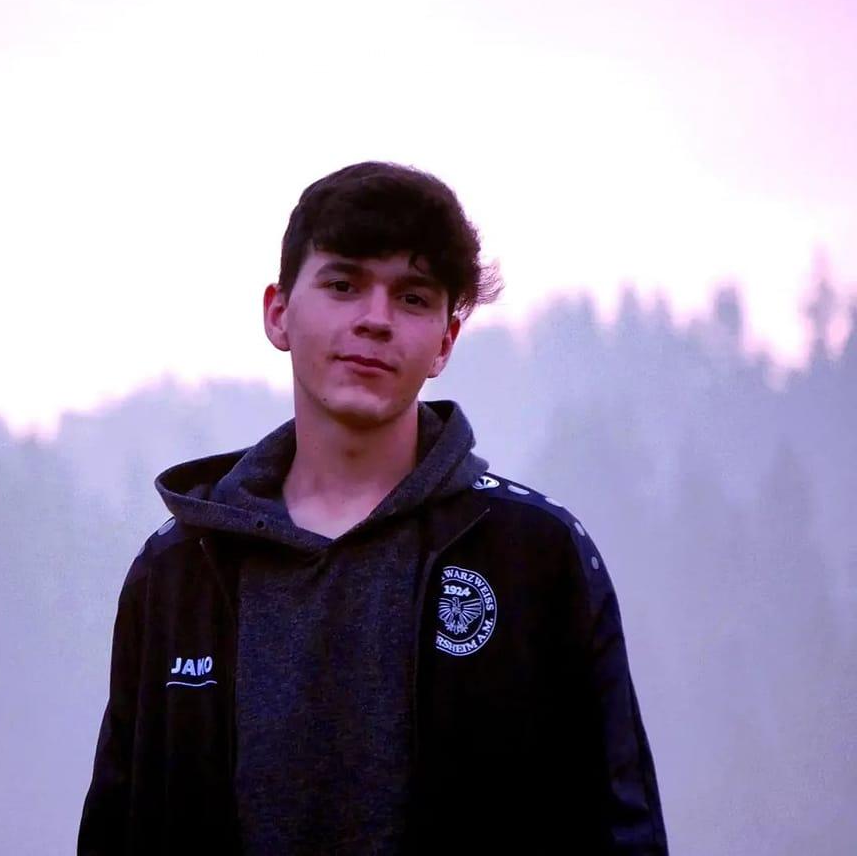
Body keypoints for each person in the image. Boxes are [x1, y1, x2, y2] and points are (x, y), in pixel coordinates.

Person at [78, 161, 669, 854]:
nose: (375, 320)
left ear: (445, 340)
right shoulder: (179, 570)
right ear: (278, 312)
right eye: (343, 284)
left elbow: (620, 828)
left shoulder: (536, 555)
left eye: (413, 297)